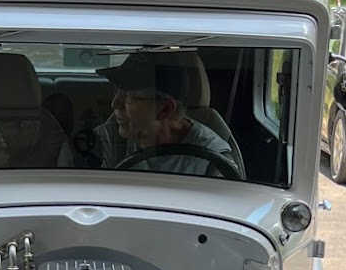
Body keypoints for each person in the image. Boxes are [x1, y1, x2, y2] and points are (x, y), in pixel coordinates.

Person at [91, 54, 243, 177]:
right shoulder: (111, 139)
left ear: (165, 109)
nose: (115, 104)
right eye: (116, 91)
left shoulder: (214, 159)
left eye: (127, 95)